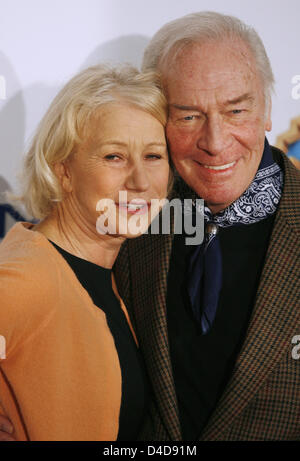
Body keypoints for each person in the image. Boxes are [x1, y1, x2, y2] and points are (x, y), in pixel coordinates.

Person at [114, 12, 300, 441]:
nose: (215, 143)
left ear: (268, 109)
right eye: (188, 116)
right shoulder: (132, 219)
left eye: (236, 110)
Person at [0, 64, 171, 440]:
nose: (140, 181)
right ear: (63, 170)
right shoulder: (32, 277)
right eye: (114, 157)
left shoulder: (105, 273)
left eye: (154, 156)